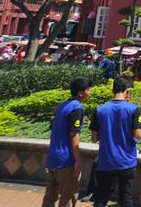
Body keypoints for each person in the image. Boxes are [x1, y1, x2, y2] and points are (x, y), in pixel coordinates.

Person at [90, 76, 141, 207]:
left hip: (105, 161)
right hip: (126, 162)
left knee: (101, 197)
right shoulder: (133, 109)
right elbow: (138, 135)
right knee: (126, 198)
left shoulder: (99, 109)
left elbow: (94, 138)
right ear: (127, 90)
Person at [42, 77, 91, 207]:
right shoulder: (77, 108)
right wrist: (78, 161)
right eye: (88, 90)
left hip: (53, 158)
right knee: (68, 198)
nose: (89, 93)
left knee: (50, 197)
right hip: (66, 160)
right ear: (80, 93)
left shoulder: (62, 106)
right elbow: (74, 135)